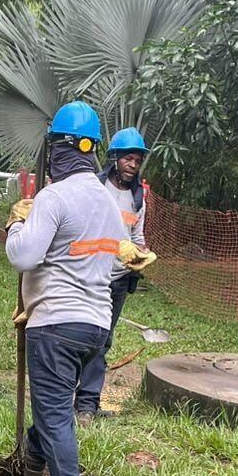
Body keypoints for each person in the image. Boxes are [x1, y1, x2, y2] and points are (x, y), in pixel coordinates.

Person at [5, 101, 124, 476]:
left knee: (55, 413)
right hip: (95, 325)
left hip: (55, 324)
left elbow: (24, 257)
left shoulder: (53, 197)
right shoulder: (108, 202)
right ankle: (33, 458)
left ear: (61, 149)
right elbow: (116, 264)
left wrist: (16, 226)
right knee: (54, 406)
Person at [75, 127, 150, 421]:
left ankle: (87, 406)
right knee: (79, 336)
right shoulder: (96, 188)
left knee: (103, 341)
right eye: (128, 159)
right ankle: (63, 395)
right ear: (115, 158)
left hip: (118, 280)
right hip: (88, 275)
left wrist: (141, 253)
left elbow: (137, 234)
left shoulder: (137, 198)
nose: (133, 165)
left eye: (137, 160)